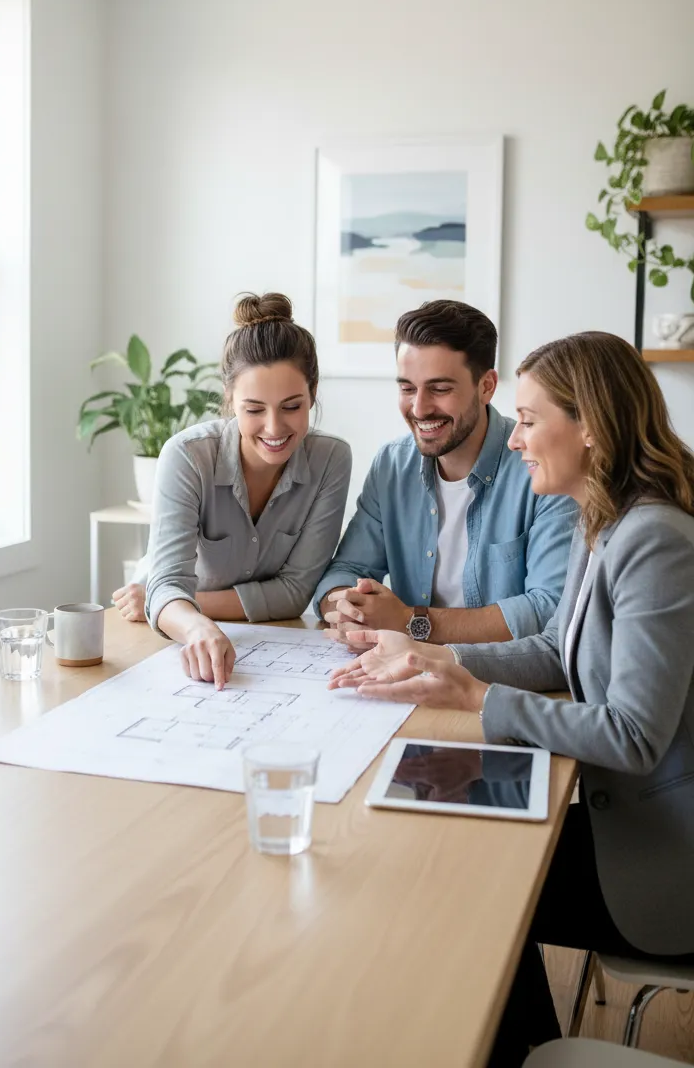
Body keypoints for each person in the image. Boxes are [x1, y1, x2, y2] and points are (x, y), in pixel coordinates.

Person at [329, 331, 694, 1064]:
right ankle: (528, 1046)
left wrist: (474, 696)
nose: (516, 438)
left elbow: (633, 736)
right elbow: (557, 648)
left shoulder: (656, 539)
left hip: (664, 867)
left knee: (465, 890)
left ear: (589, 424)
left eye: (529, 420)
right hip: (627, 823)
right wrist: (431, 656)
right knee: (467, 868)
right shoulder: (610, 515)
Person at [113, 293, 351, 689]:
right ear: (230, 401)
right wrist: (187, 621)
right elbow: (169, 581)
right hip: (160, 627)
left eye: (292, 406)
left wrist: (180, 603)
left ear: (312, 393)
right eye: (254, 409)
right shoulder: (187, 456)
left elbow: (295, 592)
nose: (274, 428)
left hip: (179, 613)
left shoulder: (332, 460)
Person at [314, 299, 577, 646]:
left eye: (439, 389)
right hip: (407, 673)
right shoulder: (392, 465)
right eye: (407, 388)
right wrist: (350, 610)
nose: (419, 408)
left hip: (501, 681)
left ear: (486, 386)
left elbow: (550, 608)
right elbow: (344, 572)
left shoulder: (542, 468)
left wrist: (411, 622)